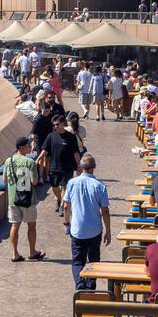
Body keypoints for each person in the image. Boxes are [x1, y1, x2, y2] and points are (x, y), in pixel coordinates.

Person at [62, 153, 111, 289]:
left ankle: (79, 285)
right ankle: (90, 287)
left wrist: (67, 223)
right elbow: (105, 210)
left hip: (77, 229)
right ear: (94, 167)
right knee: (94, 260)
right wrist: (108, 231)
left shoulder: (72, 183)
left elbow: (66, 206)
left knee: (78, 261)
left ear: (81, 167)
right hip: (95, 229)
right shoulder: (100, 186)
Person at [3, 136, 44, 262]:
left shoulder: (8, 161)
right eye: (28, 145)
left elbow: (4, 180)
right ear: (21, 148)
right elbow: (34, 181)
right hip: (27, 199)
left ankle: (15, 254)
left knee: (15, 225)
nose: (31, 146)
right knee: (31, 225)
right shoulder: (29, 162)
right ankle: (32, 252)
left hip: (12, 199)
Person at [43, 115, 81, 214]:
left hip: (68, 167)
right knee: (54, 186)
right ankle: (60, 199)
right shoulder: (50, 136)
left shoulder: (71, 137)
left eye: (57, 124)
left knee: (65, 187)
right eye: (54, 125)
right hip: (54, 166)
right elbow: (45, 150)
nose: (55, 126)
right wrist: (39, 158)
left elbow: (76, 152)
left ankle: (62, 207)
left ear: (63, 123)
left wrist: (78, 165)